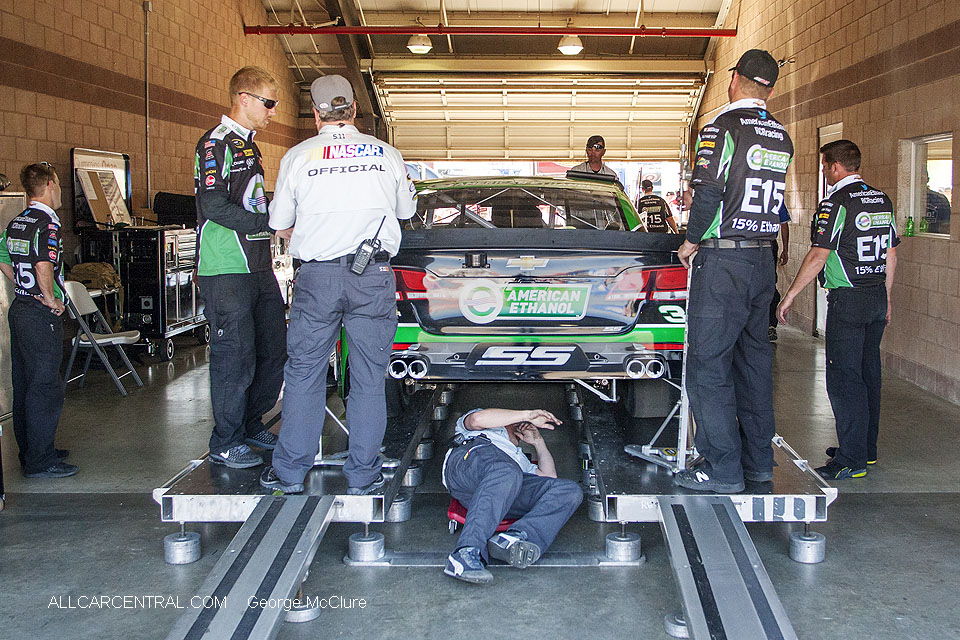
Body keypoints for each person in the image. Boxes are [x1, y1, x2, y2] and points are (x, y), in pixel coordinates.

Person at [260, 74, 417, 495]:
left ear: (316, 115)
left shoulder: (299, 156)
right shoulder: (387, 155)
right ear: (353, 111)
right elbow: (405, 208)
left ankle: (291, 472)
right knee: (368, 376)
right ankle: (363, 475)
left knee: (305, 372)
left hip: (318, 278)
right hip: (373, 276)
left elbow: (278, 223)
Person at [675, 49, 794, 493]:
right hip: (762, 258)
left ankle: (721, 468)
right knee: (754, 363)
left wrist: (690, 240)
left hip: (724, 259)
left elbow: (708, 193)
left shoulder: (722, 127)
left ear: (735, 79)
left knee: (707, 364)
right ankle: (758, 462)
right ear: (771, 87)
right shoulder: (781, 135)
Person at [777, 140, 899, 480]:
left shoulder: (835, 203)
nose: (823, 172)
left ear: (834, 167)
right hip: (875, 296)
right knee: (868, 374)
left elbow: (819, 255)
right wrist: (887, 298)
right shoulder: (881, 199)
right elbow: (890, 252)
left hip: (848, 300)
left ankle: (850, 460)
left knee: (845, 380)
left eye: (824, 166)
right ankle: (865, 449)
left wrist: (789, 296)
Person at [194, 66, 287, 469]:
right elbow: (213, 206)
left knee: (274, 347)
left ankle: (251, 423)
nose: (273, 112)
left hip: (258, 264)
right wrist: (270, 223)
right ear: (244, 99)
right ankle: (225, 440)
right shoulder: (215, 144)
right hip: (225, 267)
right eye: (268, 103)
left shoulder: (249, 144)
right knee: (236, 355)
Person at [442, 408, 583, 585]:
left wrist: (538, 442)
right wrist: (526, 415)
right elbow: (477, 419)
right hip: (467, 466)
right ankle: (466, 551)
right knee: (506, 470)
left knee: (569, 491)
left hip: (500, 490)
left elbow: (549, 479)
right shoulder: (483, 430)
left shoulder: (519, 459)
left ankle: (515, 538)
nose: (519, 425)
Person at [0, 163, 77, 478]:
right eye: (57, 184)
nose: (59, 191)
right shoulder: (48, 223)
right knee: (45, 386)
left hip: (19, 307)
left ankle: (32, 452)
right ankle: (41, 461)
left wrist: (23, 284)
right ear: (48, 184)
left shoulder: (17, 221)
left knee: (24, 384)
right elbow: (45, 265)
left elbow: (3, 257)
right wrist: (49, 297)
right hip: (39, 313)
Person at [768, 205, 791, 341]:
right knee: (769, 286)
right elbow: (784, 224)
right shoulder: (774, 194)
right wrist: (785, 249)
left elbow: (784, 224)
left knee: (769, 287)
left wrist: (785, 249)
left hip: (760, 245)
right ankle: (769, 325)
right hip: (768, 244)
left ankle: (770, 325)